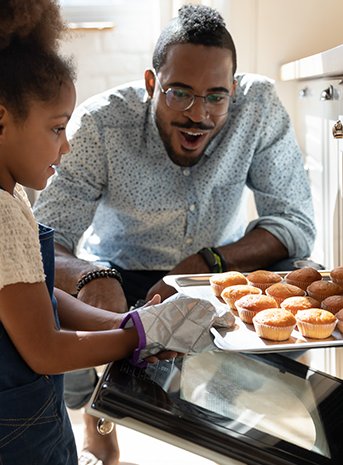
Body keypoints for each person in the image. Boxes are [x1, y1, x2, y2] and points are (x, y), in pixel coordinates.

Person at [0, 1, 225, 464]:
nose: (66, 145)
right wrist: (141, 336)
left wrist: (122, 323)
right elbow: (45, 350)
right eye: (57, 128)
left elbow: (38, 296)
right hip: (9, 429)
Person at [32, 4, 317, 465]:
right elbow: (44, 239)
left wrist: (207, 263)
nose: (198, 115)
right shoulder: (99, 125)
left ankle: (241, 419)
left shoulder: (258, 107)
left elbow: (295, 223)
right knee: (41, 302)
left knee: (302, 273)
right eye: (179, 93)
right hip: (117, 277)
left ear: (235, 91)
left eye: (216, 97)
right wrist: (92, 276)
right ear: (151, 85)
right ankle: (96, 411)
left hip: (217, 272)